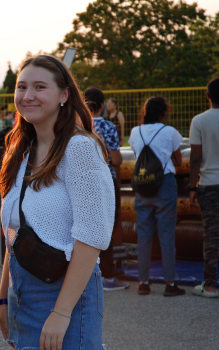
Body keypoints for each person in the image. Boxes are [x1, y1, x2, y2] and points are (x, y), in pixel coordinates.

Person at [0, 55, 114, 350]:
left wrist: (62, 312)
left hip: (66, 294)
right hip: (22, 290)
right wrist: (3, 296)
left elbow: (92, 237)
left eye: (39, 87)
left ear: (64, 94)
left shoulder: (80, 148)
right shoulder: (23, 153)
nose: (28, 96)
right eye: (22, 87)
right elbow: (15, 233)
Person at [128, 96, 185, 297]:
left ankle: (143, 282)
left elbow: (137, 155)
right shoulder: (169, 132)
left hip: (143, 185)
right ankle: (170, 284)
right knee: (166, 234)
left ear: (145, 112)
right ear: (163, 113)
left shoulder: (136, 132)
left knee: (143, 236)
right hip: (164, 184)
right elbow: (178, 161)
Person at [84, 86, 128, 292]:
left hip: (80, 183)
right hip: (104, 183)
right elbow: (117, 160)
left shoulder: (74, 125)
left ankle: (84, 277)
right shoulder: (107, 126)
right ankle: (109, 276)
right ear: (102, 106)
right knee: (106, 229)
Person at [189, 77, 219, 298]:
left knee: (211, 236)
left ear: (207, 95)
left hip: (209, 185)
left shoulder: (199, 121)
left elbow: (195, 157)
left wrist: (192, 187)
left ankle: (209, 286)